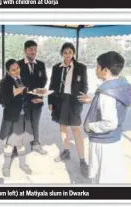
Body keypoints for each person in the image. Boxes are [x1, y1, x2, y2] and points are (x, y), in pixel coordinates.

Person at [80, 52, 131, 184]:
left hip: (102, 143)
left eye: (97, 67)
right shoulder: (120, 86)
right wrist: (92, 100)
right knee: (111, 177)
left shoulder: (106, 94)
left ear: (105, 71)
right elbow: (113, 103)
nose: (95, 70)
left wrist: (89, 126)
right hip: (113, 140)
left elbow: (110, 123)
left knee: (101, 179)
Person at [48, 42, 89, 177]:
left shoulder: (81, 67)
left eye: (70, 52)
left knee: (76, 129)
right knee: (62, 127)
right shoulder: (56, 68)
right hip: (60, 100)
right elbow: (52, 85)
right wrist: (50, 101)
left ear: (73, 54)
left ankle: (82, 160)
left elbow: (85, 86)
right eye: (65, 52)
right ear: (62, 53)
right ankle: (66, 151)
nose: (67, 55)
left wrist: (82, 97)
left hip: (74, 102)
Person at [0, 59, 32, 177]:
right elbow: (2, 100)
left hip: (23, 116)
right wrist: (14, 93)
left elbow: (24, 97)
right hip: (11, 116)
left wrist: (33, 99)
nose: (16, 71)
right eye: (13, 70)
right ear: (8, 72)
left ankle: (23, 164)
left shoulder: (21, 80)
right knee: (9, 143)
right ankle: (6, 166)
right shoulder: (4, 83)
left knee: (21, 141)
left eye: (17, 68)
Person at [17, 40, 48, 155]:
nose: (33, 52)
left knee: (35, 123)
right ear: (25, 51)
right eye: (30, 49)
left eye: (35, 50)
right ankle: (17, 147)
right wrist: (30, 96)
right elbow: (17, 83)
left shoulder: (41, 64)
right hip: (23, 101)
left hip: (38, 100)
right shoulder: (18, 65)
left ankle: (36, 144)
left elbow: (44, 80)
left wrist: (39, 93)